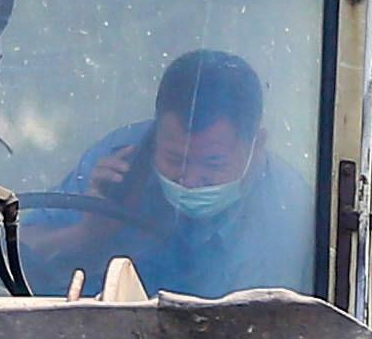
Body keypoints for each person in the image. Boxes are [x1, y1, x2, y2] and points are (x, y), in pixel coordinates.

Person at [23, 48, 311, 298]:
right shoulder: (120, 164)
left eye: (212, 163)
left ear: (256, 147)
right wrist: (89, 231)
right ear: (155, 136)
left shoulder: (293, 212)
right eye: (175, 159)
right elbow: (20, 254)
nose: (190, 180)